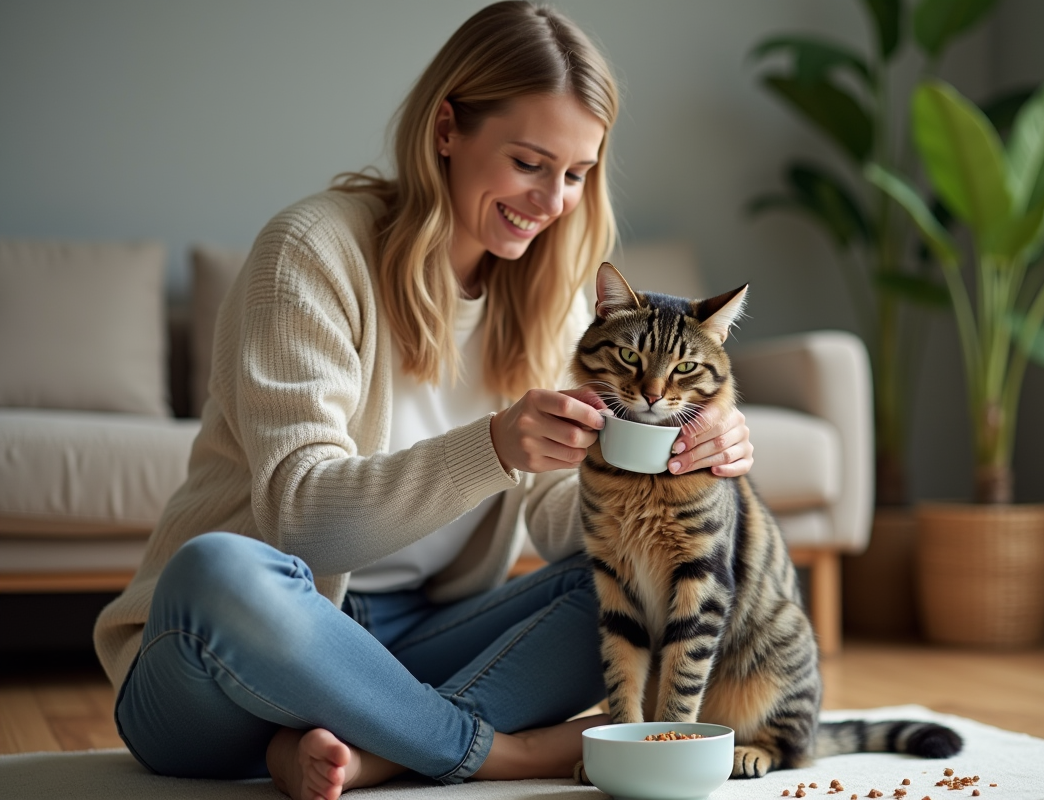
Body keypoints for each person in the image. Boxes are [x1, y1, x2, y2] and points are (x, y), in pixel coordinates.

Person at [93, 3, 754, 798]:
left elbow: (563, 520)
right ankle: (497, 751)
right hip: (226, 657)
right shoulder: (310, 252)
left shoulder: (556, 300)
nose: (552, 201)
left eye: (577, 174)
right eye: (529, 163)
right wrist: (496, 446)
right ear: (447, 128)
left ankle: (372, 745)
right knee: (218, 571)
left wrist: (693, 455)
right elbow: (301, 521)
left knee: (629, 580)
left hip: (418, 647)